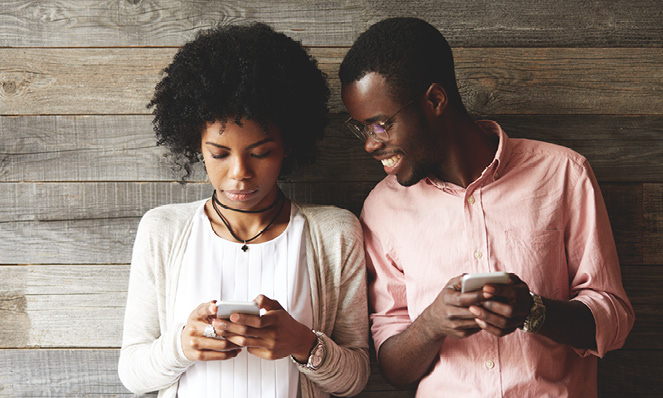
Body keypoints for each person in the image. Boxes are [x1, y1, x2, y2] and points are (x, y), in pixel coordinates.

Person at [339, 17, 634, 397]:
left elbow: (614, 319)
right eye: (362, 129)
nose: (370, 144)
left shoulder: (563, 174)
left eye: (380, 125)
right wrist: (430, 325)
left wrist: (532, 311)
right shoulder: (382, 209)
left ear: (435, 100)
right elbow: (394, 367)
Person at [118, 23, 369, 398]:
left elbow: (356, 378)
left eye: (261, 152)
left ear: (288, 144)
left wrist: (303, 343)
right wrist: (181, 347)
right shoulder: (163, 230)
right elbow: (133, 375)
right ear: (194, 144)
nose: (239, 174)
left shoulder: (335, 233)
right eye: (219, 154)